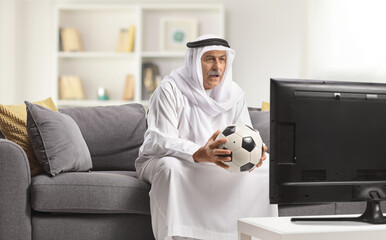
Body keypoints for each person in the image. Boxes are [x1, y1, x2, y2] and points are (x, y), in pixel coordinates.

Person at [135, 34, 278, 240]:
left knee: (266, 170)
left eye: (222, 59)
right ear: (194, 61)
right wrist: (199, 153)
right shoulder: (169, 89)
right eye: (209, 58)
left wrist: (256, 154)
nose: (217, 66)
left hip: (217, 161)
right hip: (168, 158)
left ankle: (250, 235)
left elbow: (245, 132)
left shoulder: (234, 94)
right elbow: (160, 139)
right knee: (170, 168)